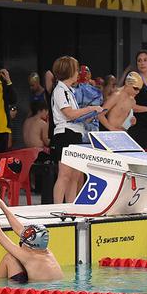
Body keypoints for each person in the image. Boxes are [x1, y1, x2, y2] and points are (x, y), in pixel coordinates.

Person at [0, 191, 63, 282]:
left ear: (29, 245)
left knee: (9, 257)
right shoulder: (44, 250)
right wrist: (0, 203)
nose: (22, 237)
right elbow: (19, 228)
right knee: (12, 258)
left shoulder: (28, 256)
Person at [50, 55, 102, 203]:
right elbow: (69, 114)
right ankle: (58, 208)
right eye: (76, 69)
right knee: (64, 175)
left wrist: (91, 114)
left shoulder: (69, 90)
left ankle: (70, 207)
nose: (78, 73)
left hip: (76, 133)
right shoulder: (60, 90)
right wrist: (90, 108)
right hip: (65, 134)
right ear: (69, 71)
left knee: (74, 176)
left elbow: (75, 115)